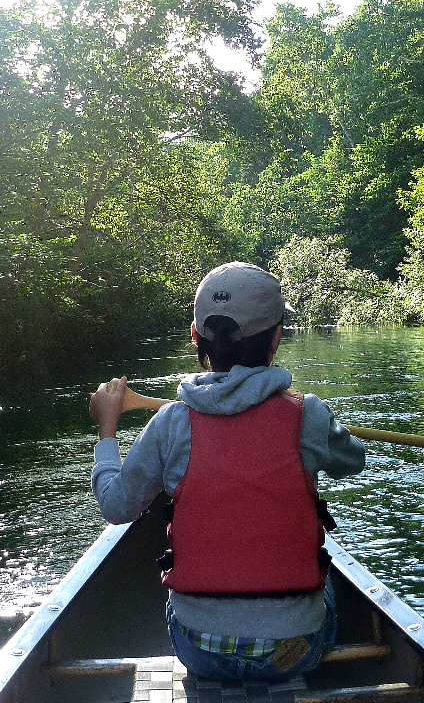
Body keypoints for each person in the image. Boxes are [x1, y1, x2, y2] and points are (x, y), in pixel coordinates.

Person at [88, 261, 366, 682]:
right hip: (294, 653)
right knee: (329, 578)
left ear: (195, 336)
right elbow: (353, 462)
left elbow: (115, 505)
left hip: (199, 651)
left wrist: (107, 430)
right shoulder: (308, 413)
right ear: (277, 336)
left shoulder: (170, 422)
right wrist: (327, 425)